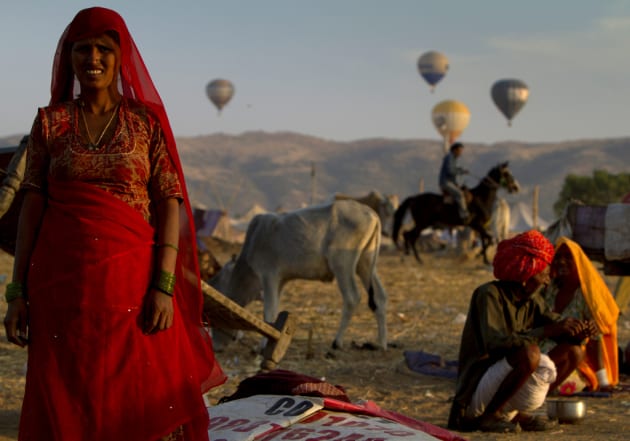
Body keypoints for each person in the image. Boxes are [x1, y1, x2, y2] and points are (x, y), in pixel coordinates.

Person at [2, 7, 225, 441]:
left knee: (137, 396)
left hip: (133, 291)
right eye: (82, 49)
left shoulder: (145, 123)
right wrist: (16, 294)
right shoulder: (51, 122)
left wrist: (163, 287)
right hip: (59, 290)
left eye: (104, 48)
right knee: (66, 398)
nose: (93, 58)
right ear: (69, 58)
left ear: (120, 57)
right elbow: (32, 206)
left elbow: (169, 202)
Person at [448, 230, 593, 433]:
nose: (546, 281)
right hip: (476, 391)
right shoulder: (489, 295)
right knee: (530, 353)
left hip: (502, 381)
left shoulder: (532, 300)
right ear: (527, 274)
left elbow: (555, 322)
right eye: (543, 274)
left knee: (574, 351)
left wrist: (576, 331)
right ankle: (488, 416)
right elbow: (495, 343)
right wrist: (548, 330)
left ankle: (516, 412)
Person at [542, 236, 619, 392]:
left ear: (578, 261)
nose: (562, 262)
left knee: (567, 380)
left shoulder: (585, 296)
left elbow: (595, 338)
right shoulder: (549, 288)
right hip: (543, 353)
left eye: (568, 257)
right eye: (558, 257)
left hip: (566, 358)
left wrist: (603, 381)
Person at [439, 142, 469, 222]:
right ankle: (464, 215)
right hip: (445, 182)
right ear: (454, 150)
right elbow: (451, 171)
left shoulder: (453, 158)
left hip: (450, 181)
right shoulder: (450, 157)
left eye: (461, 151)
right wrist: (462, 171)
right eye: (459, 150)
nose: (460, 153)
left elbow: (452, 172)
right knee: (460, 194)